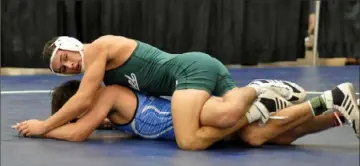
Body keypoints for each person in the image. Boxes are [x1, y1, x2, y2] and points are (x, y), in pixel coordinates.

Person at [17, 35, 308, 149]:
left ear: (71, 44)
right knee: (251, 132)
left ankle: (258, 89)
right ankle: (327, 106)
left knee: (190, 141)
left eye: (65, 58)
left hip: (188, 72)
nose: (69, 65)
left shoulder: (97, 50)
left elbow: (82, 101)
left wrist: (43, 126)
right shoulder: (101, 80)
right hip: (198, 71)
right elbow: (90, 107)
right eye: (63, 68)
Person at [13, 80, 359, 150]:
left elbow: (78, 133)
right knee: (264, 136)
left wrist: (43, 128)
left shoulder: (109, 94)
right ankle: (335, 111)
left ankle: (261, 95)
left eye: (73, 115)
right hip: (205, 122)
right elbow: (90, 127)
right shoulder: (112, 118)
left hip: (204, 118)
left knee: (248, 134)